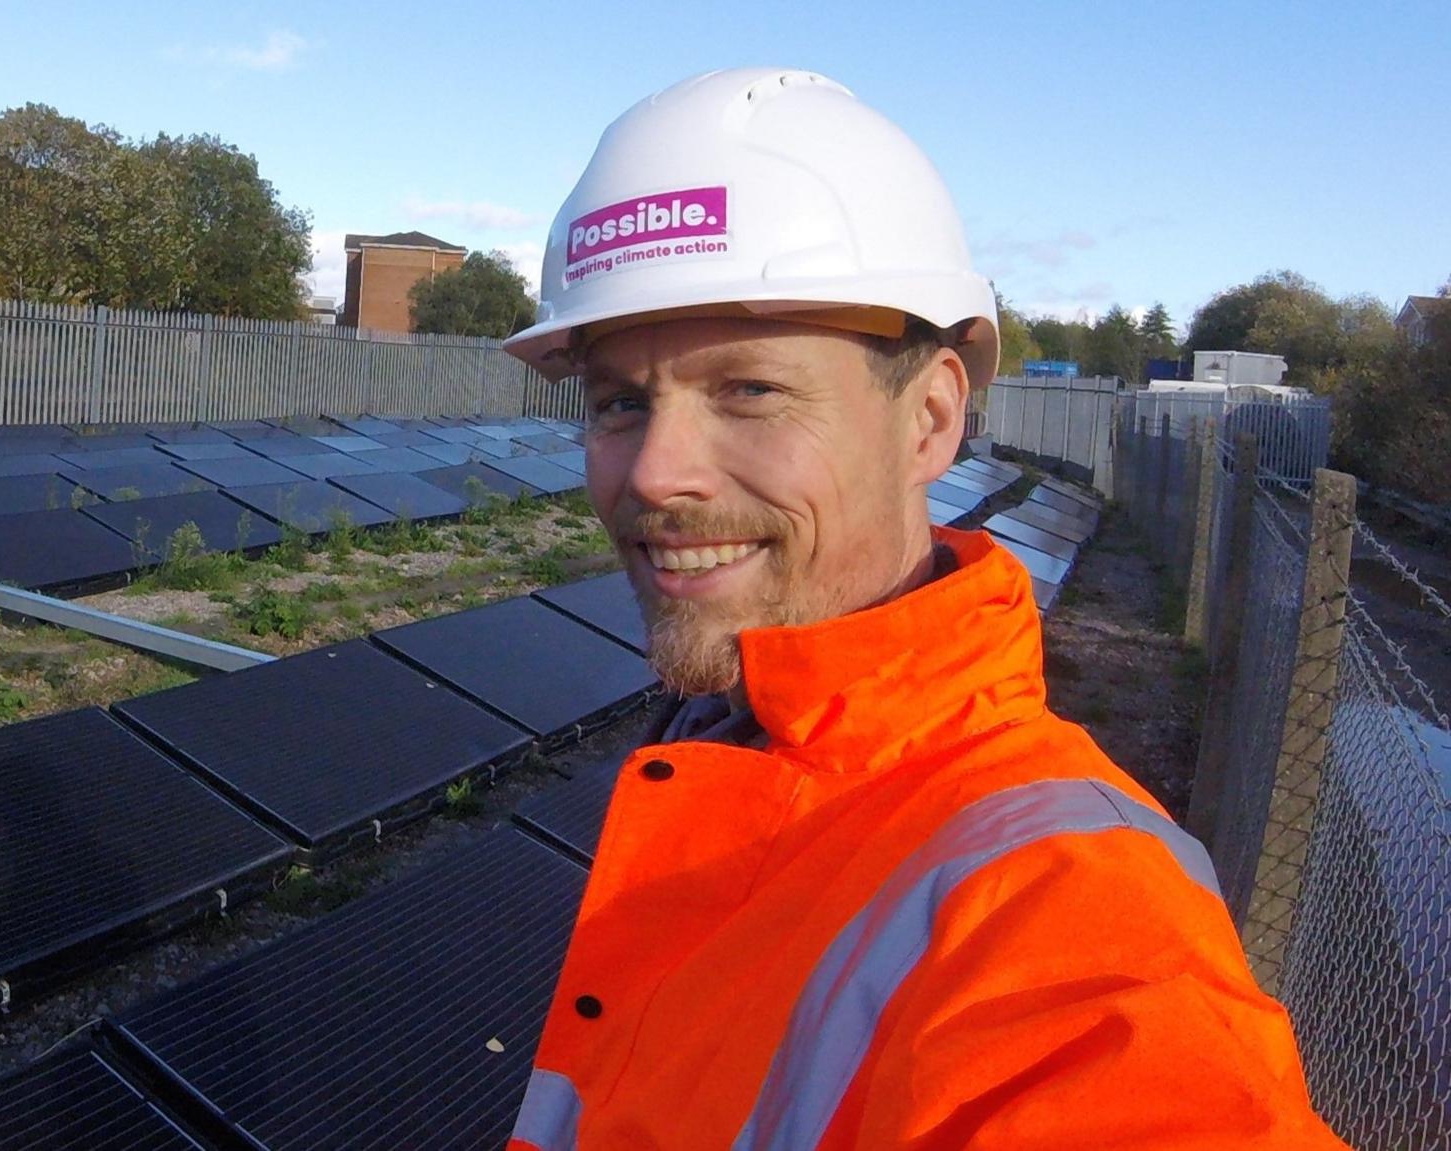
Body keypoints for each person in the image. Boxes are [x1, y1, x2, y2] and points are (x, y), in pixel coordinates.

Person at [499, 69, 1344, 1150]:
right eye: (618, 400)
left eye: (747, 390)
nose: (655, 472)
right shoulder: (724, 743)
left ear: (931, 418)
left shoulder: (1067, 906)